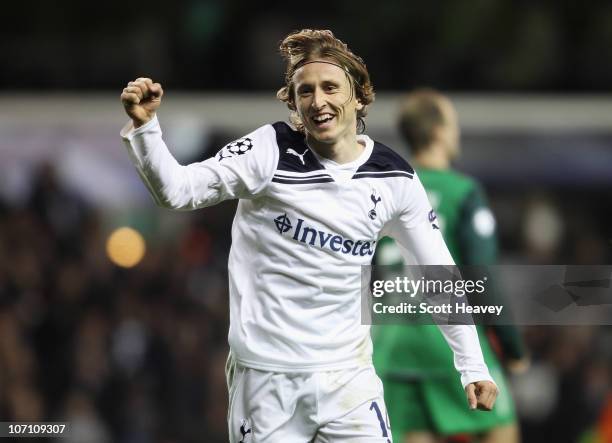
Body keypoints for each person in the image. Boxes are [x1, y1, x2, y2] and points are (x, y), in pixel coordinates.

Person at [120, 30, 498, 442]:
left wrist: (473, 366)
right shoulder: (268, 150)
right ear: (295, 102)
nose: (318, 101)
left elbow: (437, 274)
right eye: (306, 91)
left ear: (358, 96)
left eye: (330, 87)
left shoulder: (395, 178)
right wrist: (146, 130)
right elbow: (177, 191)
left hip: (348, 380)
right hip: (265, 381)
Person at [373, 89, 526, 443]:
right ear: (440, 131)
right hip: (447, 340)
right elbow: (482, 276)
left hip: (392, 343)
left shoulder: (387, 191)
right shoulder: (462, 192)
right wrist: (513, 347)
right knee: (501, 429)